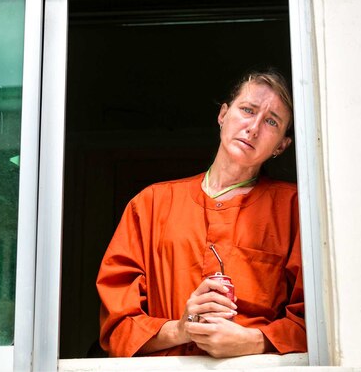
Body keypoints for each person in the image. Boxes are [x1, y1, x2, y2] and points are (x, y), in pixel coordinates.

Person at [96, 70, 306, 358]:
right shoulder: (151, 204)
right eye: (247, 110)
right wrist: (182, 329)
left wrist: (253, 341)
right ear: (223, 115)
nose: (253, 128)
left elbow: (321, 324)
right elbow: (117, 328)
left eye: (272, 121)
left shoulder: (294, 207)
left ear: (281, 145)